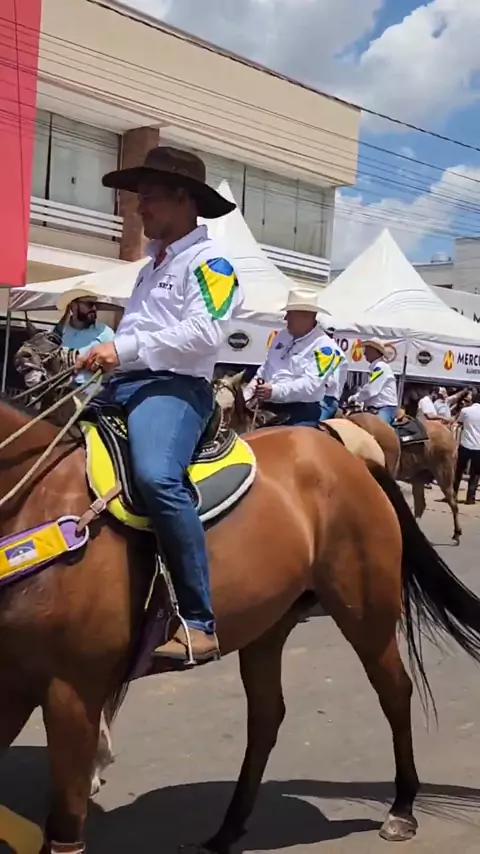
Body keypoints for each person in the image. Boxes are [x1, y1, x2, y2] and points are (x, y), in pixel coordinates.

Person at [76, 145, 242, 665]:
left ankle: (197, 621)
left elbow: (206, 333)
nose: (138, 207)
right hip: (124, 384)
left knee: (156, 477)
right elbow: (143, 331)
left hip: (173, 390)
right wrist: (100, 356)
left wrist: (122, 349)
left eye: (148, 197)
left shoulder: (212, 264)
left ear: (183, 199)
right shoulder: (151, 265)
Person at [243, 287, 345, 427]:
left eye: (289, 314)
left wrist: (274, 391)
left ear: (307, 316)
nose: (285, 318)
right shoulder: (281, 336)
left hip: (301, 411)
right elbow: (266, 368)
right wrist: (247, 393)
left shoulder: (325, 348)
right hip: (268, 405)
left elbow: (311, 385)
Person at [56, 288, 115, 386]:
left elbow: (116, 366)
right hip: (61, 387)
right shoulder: (60, 332)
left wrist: (86, 362)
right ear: (74, 306)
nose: (94, 309)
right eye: (89, 304)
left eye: (95, 305)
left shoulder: (105, 332)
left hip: (93, 389)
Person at [349, 339, 398, 424]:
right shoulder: (378, 367)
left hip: (383, 408)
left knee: (376, 430)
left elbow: (370, 390)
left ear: (375, 351)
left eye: (367, 349)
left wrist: (354, 398)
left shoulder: (380, 367)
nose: (364, 353)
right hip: (377, 408)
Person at [453, 389, 480, 505]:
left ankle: (453, 494)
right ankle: (470, 498)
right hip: (479, 447)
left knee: (458, 471)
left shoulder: (465, 411)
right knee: (475, 473)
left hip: (465, 444)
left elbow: (459, 422)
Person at [320, 326, 348, 420]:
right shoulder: (336, 351)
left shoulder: (328, 350)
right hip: (329, 398)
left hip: (325, 399)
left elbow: (330, 381)